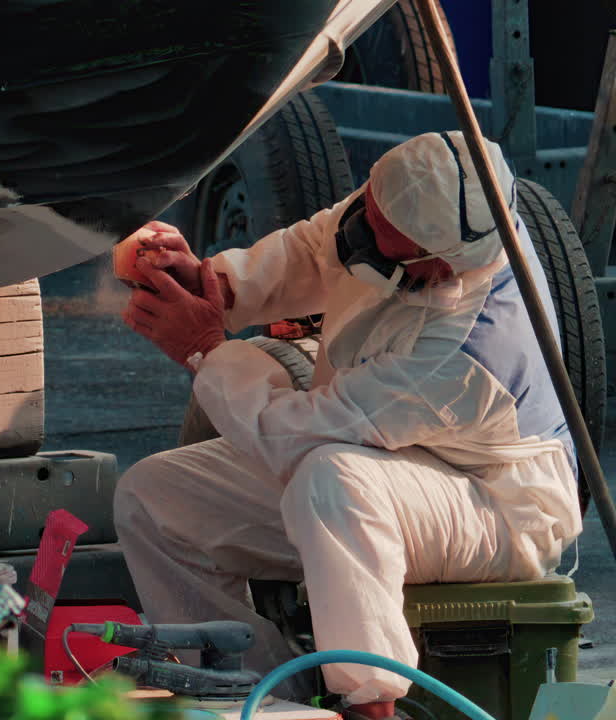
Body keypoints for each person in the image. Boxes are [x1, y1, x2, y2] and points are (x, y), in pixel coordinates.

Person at [114, 131, 580, 718]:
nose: (362, 238)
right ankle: (260, 696)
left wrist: (206, 347)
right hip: (375, 445)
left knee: (331, 481)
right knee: (154, 497)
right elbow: (320, 249)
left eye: (386, 247)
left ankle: (370, 701)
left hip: (493, 497)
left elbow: (296, 436)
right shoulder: (412, 197)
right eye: (369, 215)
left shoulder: (466, 349)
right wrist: (218, 285)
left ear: (435, 267)